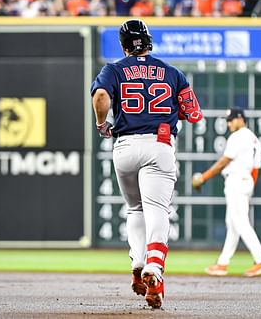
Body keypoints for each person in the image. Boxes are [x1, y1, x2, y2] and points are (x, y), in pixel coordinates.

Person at [91, 19, 203, 309]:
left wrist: (101, 123)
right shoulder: (172, 73)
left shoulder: (113, 69)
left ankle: (138, 262)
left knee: (135, 208)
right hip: (159, 143)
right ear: (149, 41)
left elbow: (101, 95)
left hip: (125, 145)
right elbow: (193, 113)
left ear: (123, 45)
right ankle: (153, 264)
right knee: (157, 208)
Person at [192, 108, 261, 277]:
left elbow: (223, 162)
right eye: (228, 120)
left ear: (241, 119)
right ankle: (222, 263)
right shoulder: (253, 138)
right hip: (245, 180)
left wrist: (203, 178)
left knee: (240, 222)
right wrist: (249, 186)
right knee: (233, 224)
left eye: (231, 119)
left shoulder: (238, 136)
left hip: (236, 180)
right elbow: (256, 168)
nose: (229, 123)